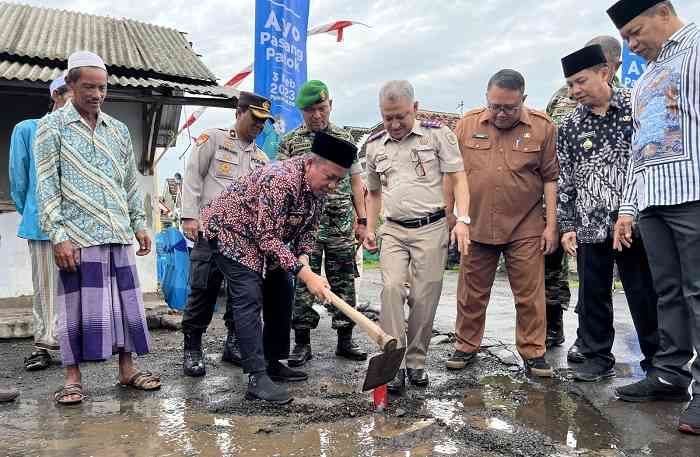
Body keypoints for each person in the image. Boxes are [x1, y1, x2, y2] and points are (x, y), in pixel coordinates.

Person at [35, 51, 160, 405]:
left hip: (116, 231)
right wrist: (58, 235)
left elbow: (129, 184)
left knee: (124, 305)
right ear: (71, 85)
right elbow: (45, 185)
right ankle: (73, 379)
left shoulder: (117, 130)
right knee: (77, 308)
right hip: (77, 235)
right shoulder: (51, 127)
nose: (96, 94)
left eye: (102, 88)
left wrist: (139, 225)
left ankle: (127, 369)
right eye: (88, 87)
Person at [200, 131, 358, 404]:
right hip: (231, 231)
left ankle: (272, 361)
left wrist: (305, 261)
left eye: (339, 180)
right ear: (310, 163)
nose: (333, 185)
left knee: (283, 290)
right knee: (248, 296)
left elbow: (309, 232)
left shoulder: (319, 190)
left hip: (262, 236)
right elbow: (266, 237)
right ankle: (256, 377)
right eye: (330, 177)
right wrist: (306, 274)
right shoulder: (280, 180)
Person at [607, 0, 700, 435]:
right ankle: (669, 374)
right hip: (652, 203)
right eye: (624, 37)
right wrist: (628, 208)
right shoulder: (644, 80)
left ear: (663, 11)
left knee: (698, 293)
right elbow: (638, 151)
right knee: (668, 294)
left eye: (635, 31)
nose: (630, 43)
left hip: (694, 194)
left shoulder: (698, 47)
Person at [447, 69, 559, 378]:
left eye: (509, 107)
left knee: (529, 294)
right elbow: (452, 176)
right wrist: (451, 216)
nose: (500, 113)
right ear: (486, 97)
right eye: (494, 105)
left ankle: (533, 352)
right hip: (477, 222)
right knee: (471, 291)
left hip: (525, 224)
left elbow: (550, 178)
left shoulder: (542, 127)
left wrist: (551, 226)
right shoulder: (466, 125)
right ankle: (466, 346)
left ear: (523, 100)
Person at [557, 44, 659, 382]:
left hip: (635, 222)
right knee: (593, 294)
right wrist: (567, 225)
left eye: (580, 82)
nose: (574, 91)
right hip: (590, 222)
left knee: (643, 293)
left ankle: (657, 362)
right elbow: (566, 178)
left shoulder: (636, 106)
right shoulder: (571, 125)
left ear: (605, 72)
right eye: (570, 85)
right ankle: (597, 357)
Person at [364, 80, 471, 394]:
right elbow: (372, 191)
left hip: (431, 227)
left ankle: (416, 362)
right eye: (388, 118)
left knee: (424, 297)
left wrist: (462, 220)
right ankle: (393, 362)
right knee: (391, 288)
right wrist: (370, 227)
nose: (395, 124)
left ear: (415, 109)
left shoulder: (439, 135)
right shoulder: (374, 145)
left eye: (401, 117)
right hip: (394, 229)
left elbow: (459, 178)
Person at [179, 91, 273, 377]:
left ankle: (233, 343)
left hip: (245, 241)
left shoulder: (262, 158)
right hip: (211, 232)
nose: (259, 126)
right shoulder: (214, 140)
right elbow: (193, 177)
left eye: (263, 122)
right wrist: (189, 217)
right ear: (239, 112)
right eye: (255, 119)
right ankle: (193, 347)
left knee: (242, 296)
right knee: (203, 290)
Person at [276, 80, 367, 367]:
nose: (317, 114)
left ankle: (345, 339)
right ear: (301, 111)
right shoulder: (290, 142)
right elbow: (279, 180)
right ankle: (302, 343)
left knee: (344, 282)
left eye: (322, 108)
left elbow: (355, 181)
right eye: (310, 110)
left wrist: (362, 220)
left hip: (340, 223)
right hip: (304, 228)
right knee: (305, 283)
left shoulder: (344, 138)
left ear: (331, 106)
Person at [544, 35, 623, 356]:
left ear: (610, 66)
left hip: (624, 207)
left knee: (641, 283)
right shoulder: (562, 99)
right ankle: (564, 331)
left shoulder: (630, 99)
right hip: (574, 200)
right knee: (581, 279)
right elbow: (554, 150)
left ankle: (658, 352)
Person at [9, 75, 72, 372]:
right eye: (70, 94)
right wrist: (33, 212)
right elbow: (19, 180)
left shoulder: (79, 132)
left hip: (78, 225)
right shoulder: (27, 129)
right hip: (43, 222)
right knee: (45, 287)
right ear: (56, 96)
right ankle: (42, 346)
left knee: (75, 287)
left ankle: (74, 345)